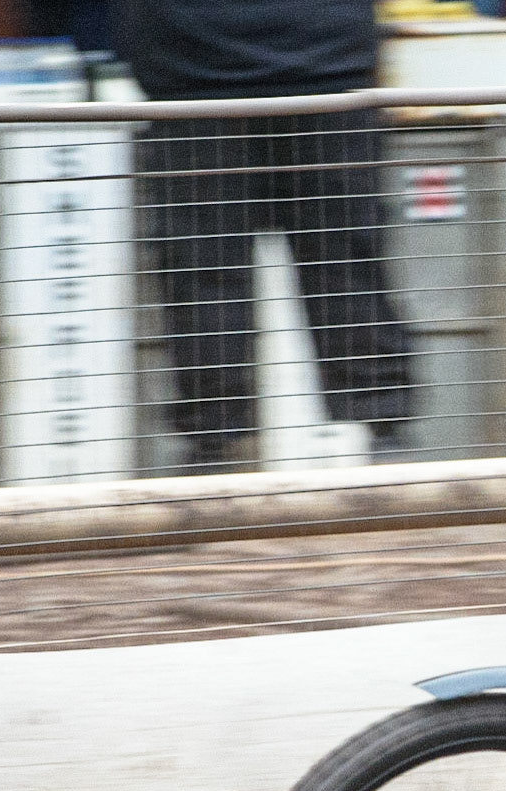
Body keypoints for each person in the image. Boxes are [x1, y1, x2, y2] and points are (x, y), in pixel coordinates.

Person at [117, 0, 412, 470]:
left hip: (197, 80)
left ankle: (213, 453)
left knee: (202, 279)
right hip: (323, 71)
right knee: (347, 269)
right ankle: (387, 436)